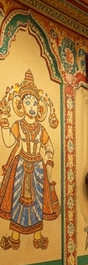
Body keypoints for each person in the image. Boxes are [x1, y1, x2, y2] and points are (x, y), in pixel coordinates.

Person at [0, 70, 60, 250]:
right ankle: (15, 237)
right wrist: (3, 125)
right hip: (20, 167)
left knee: (37, 202)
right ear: (21, 106)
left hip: (38, 169)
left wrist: (48, 164)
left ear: (39, 107)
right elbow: (9, 142)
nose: (31, 105)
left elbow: (49, 148)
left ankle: (38, 236)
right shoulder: (18, 125)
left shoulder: (41, 129)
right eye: (28, 102)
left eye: (34, 102)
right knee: (17, 201)